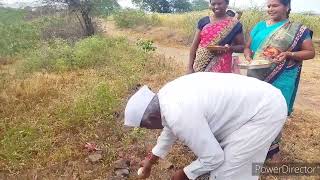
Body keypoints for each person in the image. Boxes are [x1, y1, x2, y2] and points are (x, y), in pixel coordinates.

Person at [124, 72, 287, 180]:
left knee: (227, 174)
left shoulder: (178, 112)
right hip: (255, 104)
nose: (149, 129)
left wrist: (184, 174)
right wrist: (151, 160)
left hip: (263, 111)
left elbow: (213, 158)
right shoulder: (166, 97)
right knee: (236, 167)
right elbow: (170, 129)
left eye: (146, 126)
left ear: (151, 117)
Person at [244, 0, 315, 160]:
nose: (270, 9)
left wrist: (289, 54)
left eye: (275, 5)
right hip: (255, 75)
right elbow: (247, 47)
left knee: (274, 111)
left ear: (287, 7)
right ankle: (253, 146)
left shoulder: (298, 29)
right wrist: (248, 55)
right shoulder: (259, 26)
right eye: (268, 6)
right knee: (254, 110)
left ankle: (273, 150)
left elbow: (310, 52)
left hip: (282, 76)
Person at [187, 0, 244, 74]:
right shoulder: (204, 22)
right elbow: (194, 46)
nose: (216, 7)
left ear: (227, 4)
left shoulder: (235, 25)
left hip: (223, 65)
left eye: (219, 4)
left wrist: (230, 48)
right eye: (213, 4)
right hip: (201, 64)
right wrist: (190, 67)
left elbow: (242, 46)